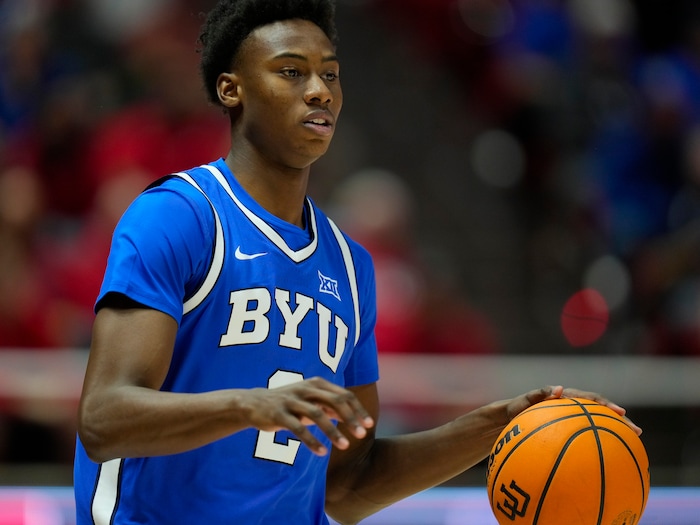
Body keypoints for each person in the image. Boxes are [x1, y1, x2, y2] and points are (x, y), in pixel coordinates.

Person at [73, 1, 642, 524]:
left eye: (330, 74)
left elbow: (348, 484)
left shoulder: (349, 267)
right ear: (231, 89)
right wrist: (252, 405)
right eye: (292, 71)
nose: (319, 89)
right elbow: (104, 419)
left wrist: (492, 429)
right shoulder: (179, 216)